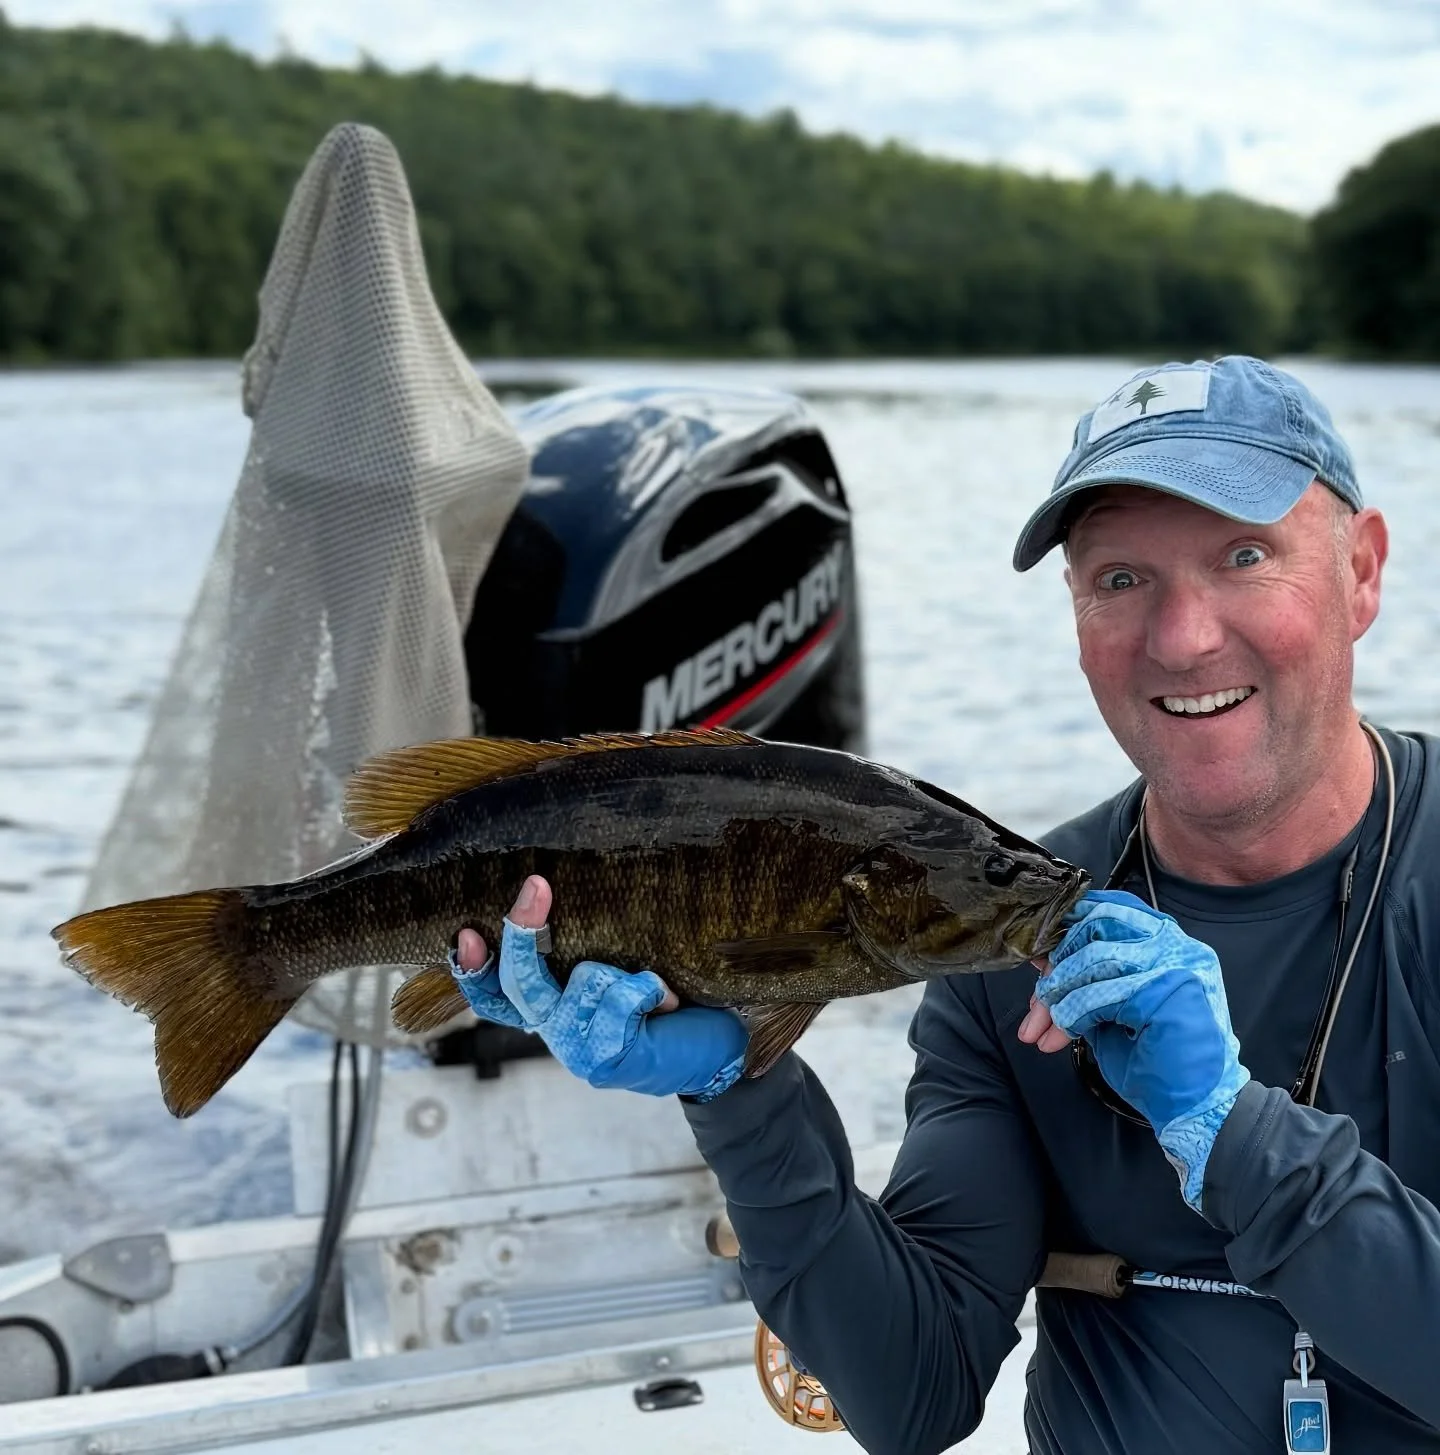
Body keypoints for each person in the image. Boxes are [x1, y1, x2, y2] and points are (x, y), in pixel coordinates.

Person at [451, 356, 1440, 1453]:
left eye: (1243, 557)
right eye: (1120, 578)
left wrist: (1231, 1131)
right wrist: (743, 1092)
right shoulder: (1001, 928)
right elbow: (914, 1389)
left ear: (1361, 570)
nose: (1182, 636)